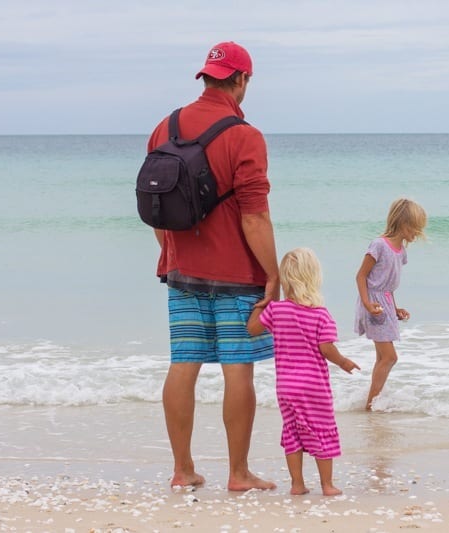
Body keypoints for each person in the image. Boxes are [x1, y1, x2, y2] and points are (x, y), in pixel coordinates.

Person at [148, 41, 280, 491]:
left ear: (205, 76)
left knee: (183, 363)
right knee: (237, 369)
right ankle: (238, 473)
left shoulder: (163, 128)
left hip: (181, 272)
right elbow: (255, 215)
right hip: (236, 276)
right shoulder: (246, 136)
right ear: (243, 80)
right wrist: (273, 275)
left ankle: (183, 471)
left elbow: (155, 206)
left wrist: (169, 254)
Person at [247, 247, 360, 496]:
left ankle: (297, 485)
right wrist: (343, 362)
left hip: (286, 387)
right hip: (313, 387)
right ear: (313, 278)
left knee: (292, 432)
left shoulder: (276, 311)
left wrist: (263, 303)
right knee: (322, 430)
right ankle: (327, 485)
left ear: (286, 279)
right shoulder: (321, 315)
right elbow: (327, 348)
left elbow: (252, 329)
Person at [355, 198, 427, 410]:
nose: (417, 233)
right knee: (389, 357)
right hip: (374, 304)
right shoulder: (379, 245)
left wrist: (395, 309)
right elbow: (360, 276)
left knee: (382, 357)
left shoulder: (401, 252)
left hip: (385, 303)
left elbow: (389, 287)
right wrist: (368, 304)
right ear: (404, 224)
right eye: (416, 228)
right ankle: (372, 404)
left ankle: (373, 401)